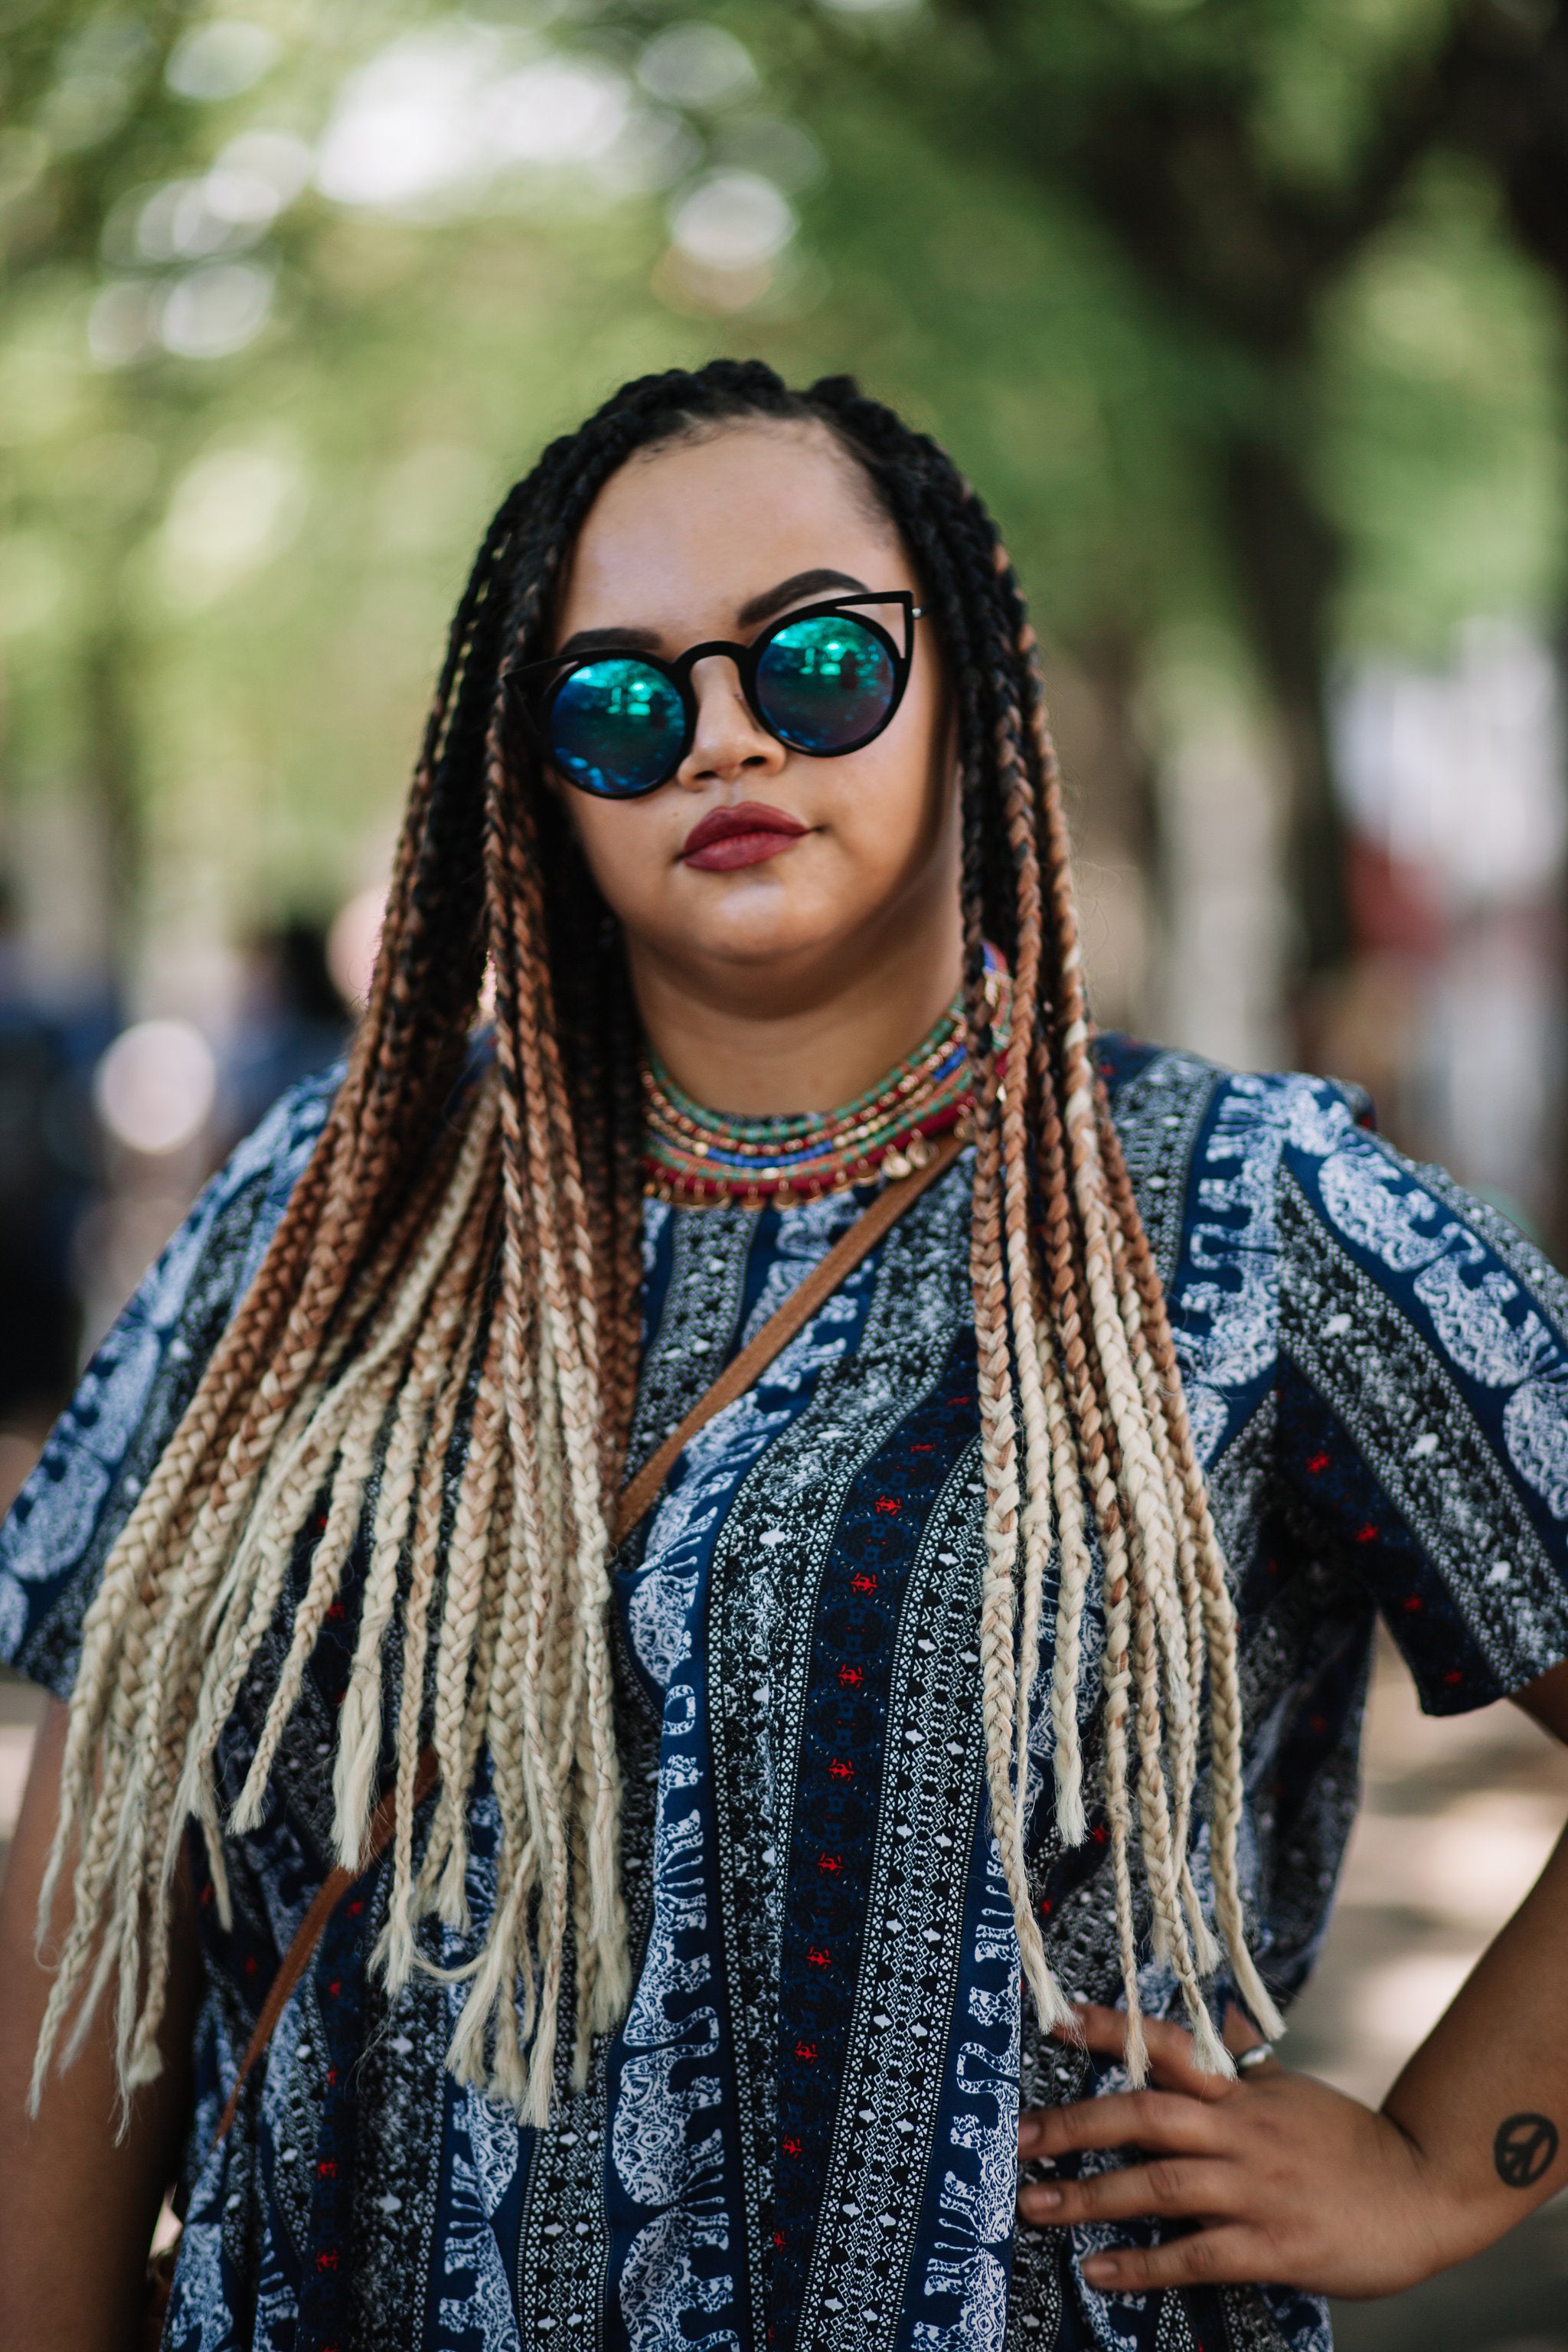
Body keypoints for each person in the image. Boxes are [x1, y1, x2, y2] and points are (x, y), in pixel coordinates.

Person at [1, 359, 1566, 2352]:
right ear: (540, 778)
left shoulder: (1244, 1218)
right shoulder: (332, 1212)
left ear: (966, 684)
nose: (725, 737)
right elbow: (99, 1863)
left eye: (815, 662)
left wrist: (1449, 2161)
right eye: (628, 700)